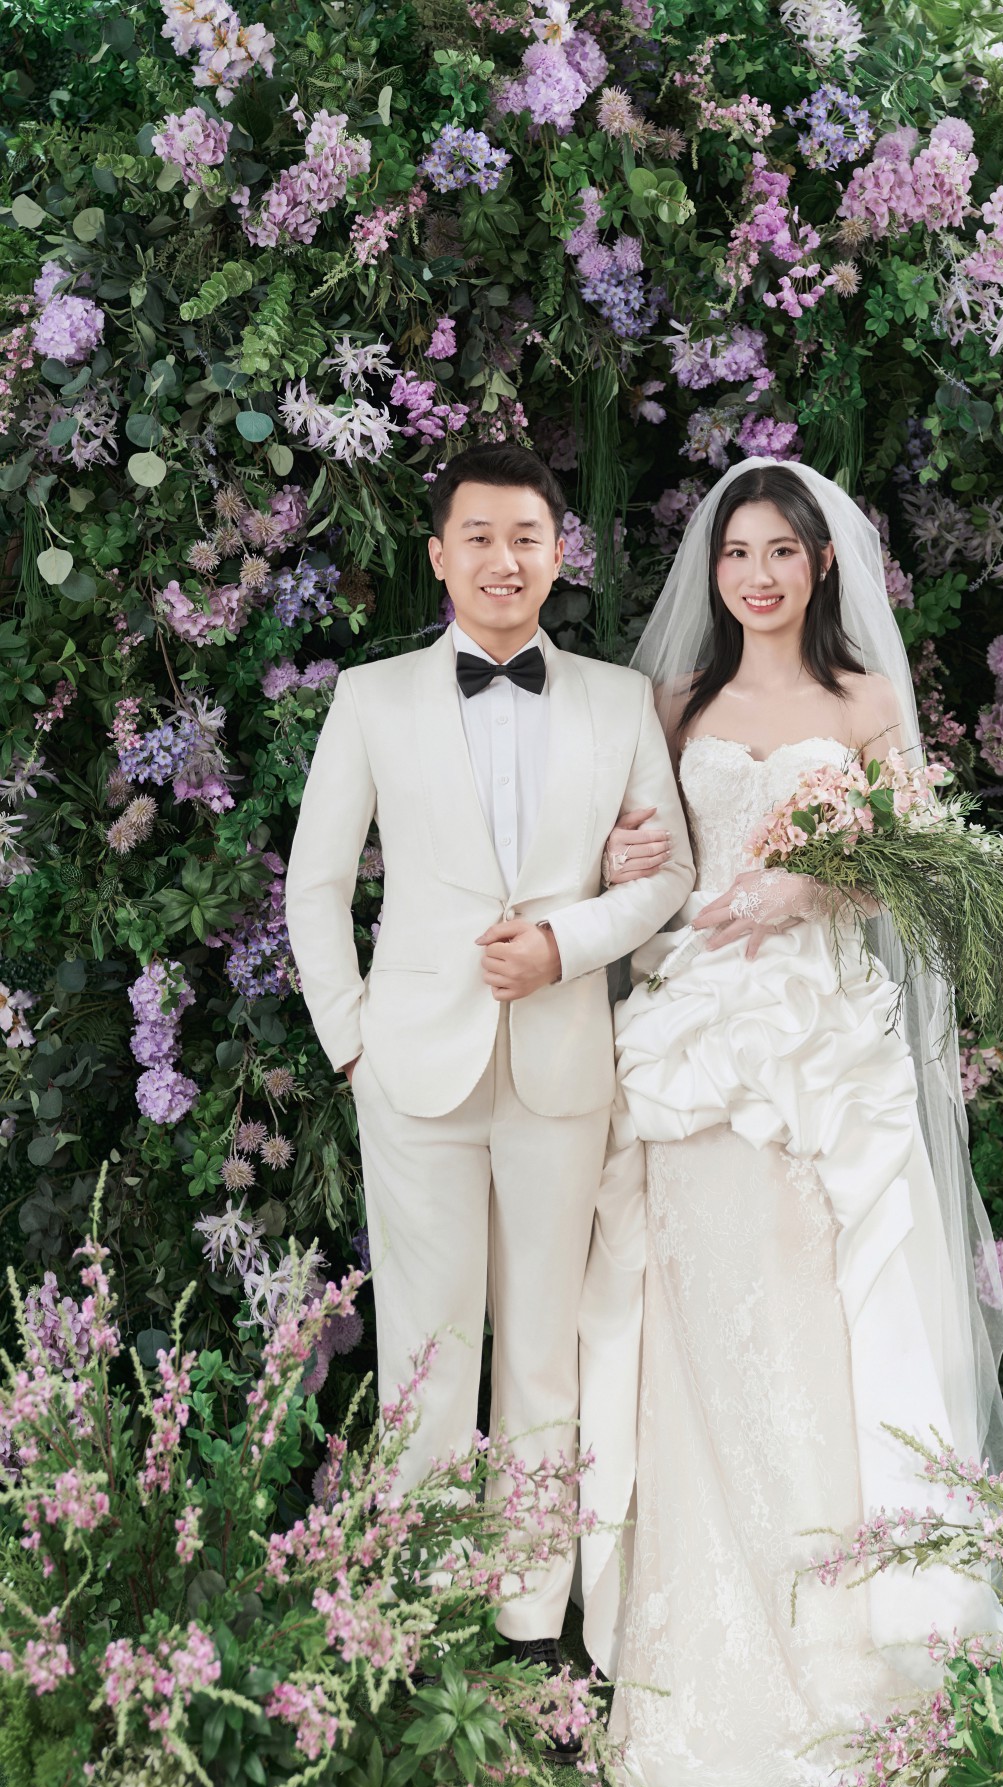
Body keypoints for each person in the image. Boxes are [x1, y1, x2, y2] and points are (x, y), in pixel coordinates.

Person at [577, 457, 1003, 1787]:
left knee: (821, 1321)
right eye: (735, 553)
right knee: (694, 1319)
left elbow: (918, 864)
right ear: (710, 571)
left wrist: (812, 885)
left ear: (822, 564)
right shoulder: (673, 703)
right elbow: (636, 854)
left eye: (780, 551)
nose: (756, 575)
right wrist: (623, 865)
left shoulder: (866, 701)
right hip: (696, 1039)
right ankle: (701, 1655)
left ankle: (844, 1656)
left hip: (817, 1044)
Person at [285, 444, 695, 1701]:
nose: (502, 560)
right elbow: (314, 884)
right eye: (478, 536)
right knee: (424, 1345)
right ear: (439, 555)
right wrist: (353, 1044)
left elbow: (670, 874)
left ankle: (528, 1622)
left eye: (525, 537)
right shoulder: (371, 697)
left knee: (542, 1350)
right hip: (414, 1070)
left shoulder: (618, 702)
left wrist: (566, 943)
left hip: (561, 1068)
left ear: (558, 554)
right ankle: (409, 1613)